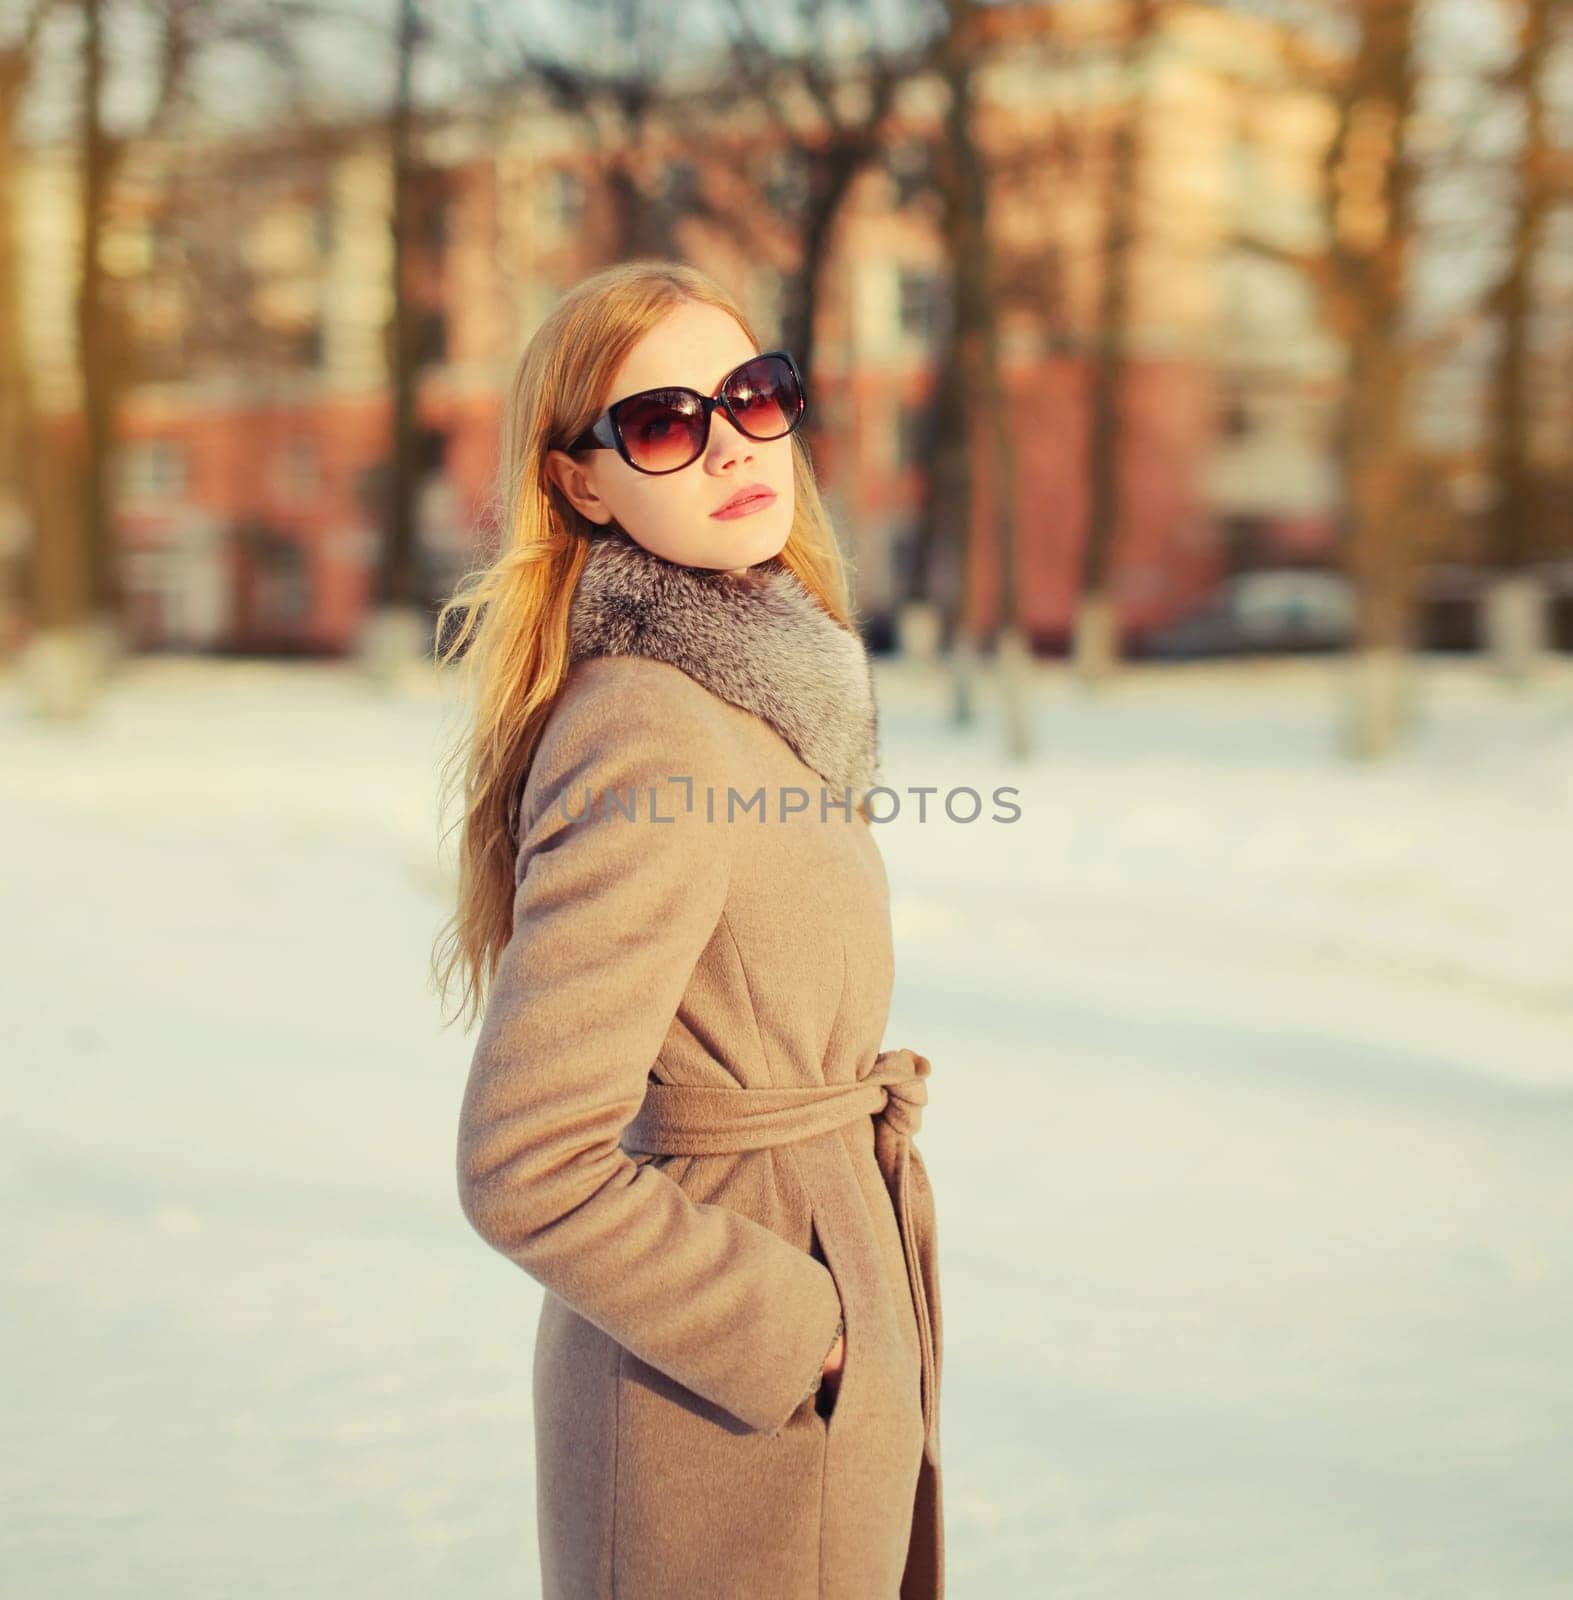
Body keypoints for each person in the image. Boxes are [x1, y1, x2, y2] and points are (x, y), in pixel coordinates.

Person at [434, 259, 944, 1599]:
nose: (730, 442)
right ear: (580, 483)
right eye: (664, 422)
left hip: (801, 1321)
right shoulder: (650, 724)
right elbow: (526, 1161)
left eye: (754, 394)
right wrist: (797, 1334)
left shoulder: (750, 701)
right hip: (725, 1401)